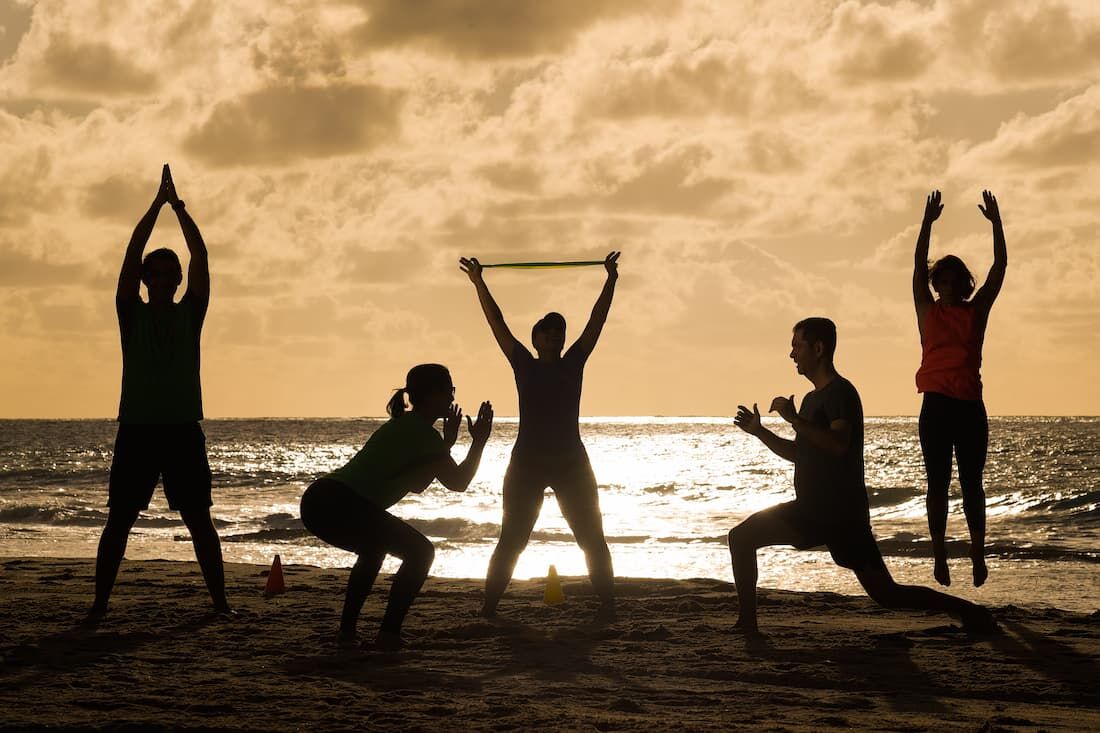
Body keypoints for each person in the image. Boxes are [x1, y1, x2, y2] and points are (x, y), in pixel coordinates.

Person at [728, 318, 995, 636]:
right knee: (742, 537)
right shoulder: (813, 399)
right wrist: (760, 432)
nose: (792, 354)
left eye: (797, 346)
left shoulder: (841, 393)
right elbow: (801, 454)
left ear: (818, 348)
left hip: (842, 515)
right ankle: (747, 624)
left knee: (888, 595)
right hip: (811, 509)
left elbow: (839, 444)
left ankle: (968, 612)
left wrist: (795, 419)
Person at [89, 164, 228, 621]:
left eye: (172, 274)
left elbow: (201, 258)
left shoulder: (191, 313)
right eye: (158, 274)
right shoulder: (131, 313)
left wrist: (179, 207)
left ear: (178, 281)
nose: (167, 280)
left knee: (199, 521)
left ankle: (220, 605)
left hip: (183, 431)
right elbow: (131, 254)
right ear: (148, 280)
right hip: (138, 431)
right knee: (119, 522)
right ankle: (100, 606)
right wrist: (155, 206)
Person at [458, 252, 620, 620]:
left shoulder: (574, 362)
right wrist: (479, 282)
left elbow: (597, 321)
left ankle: (609, 605)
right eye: (546, 329)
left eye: (559, 329)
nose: (554, 333)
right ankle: (489, 607)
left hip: (570, 462)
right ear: (535, 338)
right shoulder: (523, 364)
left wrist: (610, 279)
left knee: (591, 537)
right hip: (527, 461)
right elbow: (497, 323)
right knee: (512, 540)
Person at [300, 364, 493, 650]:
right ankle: (387, 633)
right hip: (340, 501)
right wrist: (479, 442)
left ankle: (348, 633)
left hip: (320, 501)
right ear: (432, 394)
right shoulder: (421, 434)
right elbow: (459, 482)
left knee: (373, 550)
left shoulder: (409, 427)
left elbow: (417, 483)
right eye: (449, 391)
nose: (453, 398)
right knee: (421, 552)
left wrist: (447, 444)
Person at [913, 190, 1007, 587]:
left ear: (963, 284)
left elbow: (1000, 267)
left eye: (953, 282)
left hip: (969, 406)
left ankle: (977, 551)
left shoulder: (976, 311)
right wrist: (927, 223)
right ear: (936, 284)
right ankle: (939, 554)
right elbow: (917, 264)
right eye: (941, 282)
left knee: (972, 483)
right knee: (937, 483)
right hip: (935, 406)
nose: (946, 287)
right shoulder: (927, 310)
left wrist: (997, 224)